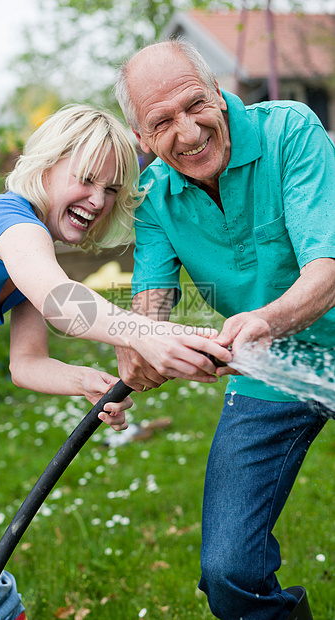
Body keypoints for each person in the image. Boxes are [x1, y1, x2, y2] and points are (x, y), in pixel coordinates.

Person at [0, 103, 231, 620]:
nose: (98, 200)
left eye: (111, 190)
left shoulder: (24, 256)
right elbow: (62, 303)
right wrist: (150, 334)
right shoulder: (8, 223)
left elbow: (27, 364)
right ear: (45, 166)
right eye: (86, 179)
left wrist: (88, 380)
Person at [114, 39, 335, 619]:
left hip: (297, 335)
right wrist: (140, 351)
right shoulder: (153, 197)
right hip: (269, 372)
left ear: (218, 93)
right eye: (162, 122)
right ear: (142, 139)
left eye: (194, 106)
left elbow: (328, 271)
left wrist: (266, 319)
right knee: (229, 570)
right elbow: (150, 312)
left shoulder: (289, 131)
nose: (186, 133)